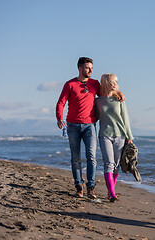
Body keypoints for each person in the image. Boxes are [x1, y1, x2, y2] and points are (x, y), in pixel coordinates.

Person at [56, 57, 124, 199]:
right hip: (72, 126)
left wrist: (120, 93)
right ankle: (79, 185)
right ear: (80, 69)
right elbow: (61, 102)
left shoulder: (94, 84)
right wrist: (59, 118)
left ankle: (91, 187)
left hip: (89, 126)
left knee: (91, 157)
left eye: (91, 68)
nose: (90, 70)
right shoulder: (70, 84)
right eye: (87, 68)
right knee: (75, 157)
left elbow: (107, 93)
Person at [95, 73, 134, 202]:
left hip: (120, 135)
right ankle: (112, 194)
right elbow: (94, 117)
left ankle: (110, 190)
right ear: (106, 83)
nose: (115, 84)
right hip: (104, 135)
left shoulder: (119, 100)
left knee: (116, 165)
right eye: (113, 82)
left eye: (116, 81)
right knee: (109, 164)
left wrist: (129, 136)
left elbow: (125, 118)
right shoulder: (98, 101)